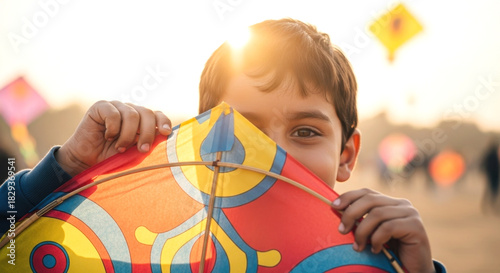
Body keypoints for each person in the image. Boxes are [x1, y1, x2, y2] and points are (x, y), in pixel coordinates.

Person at [1, 18, 445, 272]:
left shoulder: (366, 261)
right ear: (198, 145)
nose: (271, 153)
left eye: (306, 131)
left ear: (347, 154)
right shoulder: (145, 254)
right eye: (242, 129)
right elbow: (14, 252)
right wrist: (63, 168)